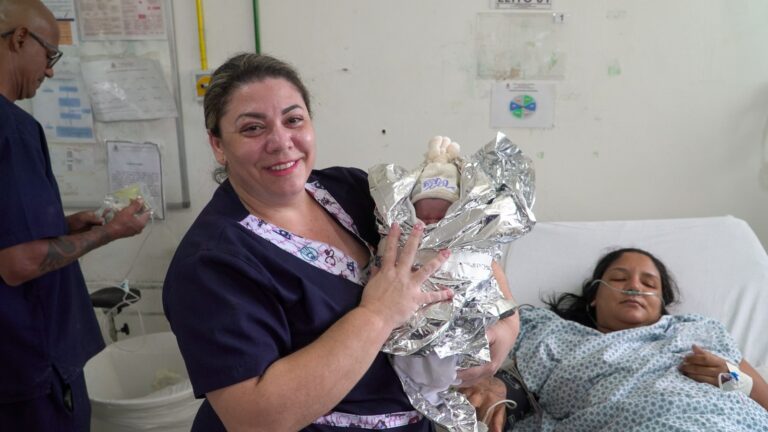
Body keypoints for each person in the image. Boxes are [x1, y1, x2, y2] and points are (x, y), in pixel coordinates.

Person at [163, 52, 519, 431]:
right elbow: (256, 417)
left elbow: (460, 240)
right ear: (218, 145)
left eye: (293, 119)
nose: (281, 142)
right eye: (253, 128)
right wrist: (378, 315)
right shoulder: (211, 264)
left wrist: (507, 323)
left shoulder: (352, 189)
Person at [0, 0, 151, 430]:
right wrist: (111, 233)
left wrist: (62, 227)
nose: (49, 72)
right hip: (30, 366)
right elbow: (20, 263)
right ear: (21, 39)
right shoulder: (13, 130)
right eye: (50, 56)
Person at [464, 248, 768, 431]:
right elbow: (511, 376)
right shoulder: (554, 336)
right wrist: (496, 384)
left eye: (649, 282)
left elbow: (764, 400)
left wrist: (738, 380)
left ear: (662, 302)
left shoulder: (699, 330)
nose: (634, 286)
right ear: (594, 296)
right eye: (620, 279)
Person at [380, 136, 521, 430]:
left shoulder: (474, 245)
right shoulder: (396, 233)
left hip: (461, 336)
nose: (431, 221)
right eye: (424, 214)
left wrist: (508, 324)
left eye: (441, 215)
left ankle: (436, 394)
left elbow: (486, 271)